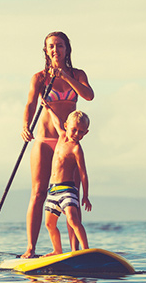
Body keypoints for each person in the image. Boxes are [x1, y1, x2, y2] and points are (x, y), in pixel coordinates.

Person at [20, 32, 93, 258]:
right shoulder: (40, 78)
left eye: (59, 46)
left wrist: (66, 76)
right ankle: (31, 249)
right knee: (39, 192)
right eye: (51, 46)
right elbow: (31, 104)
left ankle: (75, 252)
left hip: (68, 143)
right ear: (46, 50)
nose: (55, 50)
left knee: (72, 194)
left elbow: (88, 95)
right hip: (45, 139)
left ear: (66, 49)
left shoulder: (78, 74)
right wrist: (25, 125)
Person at [40, 106, 92, 256]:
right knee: (49, 224)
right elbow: (56, 121)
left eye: (81, 132)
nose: (77, 134)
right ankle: (57, 250)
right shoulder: (61, 136)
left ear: (86, 132)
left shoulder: (76, 149)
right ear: (66, 126)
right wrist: (48, 108)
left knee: (72, 219)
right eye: (74, 129)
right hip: (53, 190)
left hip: (68, 190)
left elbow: (83, 173)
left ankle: (86, 250)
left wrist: (86, 196)